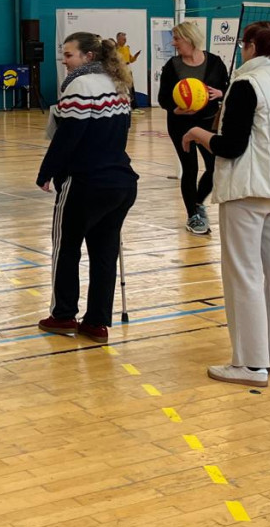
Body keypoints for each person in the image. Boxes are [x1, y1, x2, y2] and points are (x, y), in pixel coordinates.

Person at [182, 20, 270, 388]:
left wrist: (196, 133)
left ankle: (250, 364)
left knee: (244, 275)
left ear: (253, 47)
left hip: (248, 193)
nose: (242, 51)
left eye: (244, 46)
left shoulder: (247, 84)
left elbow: (231, 147)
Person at [35, 32, 139, 344]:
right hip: (121, 183)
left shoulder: (79, 86)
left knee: (66, 249)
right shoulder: (118, 84)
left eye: (69, 55)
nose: (64, 61)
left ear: (88, 57)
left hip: (86, 183)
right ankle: (96, 323)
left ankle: (64, 315)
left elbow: (69, 136)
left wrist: (46, 172)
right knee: (104, 253)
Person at [157, 21, 228, 236]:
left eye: (177, 38)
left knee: (215, 167)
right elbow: (163, 98)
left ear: (189, 38)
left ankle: (197, 202)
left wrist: (220, 94)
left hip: (207, 122)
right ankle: (193, 216)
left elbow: (226, 88)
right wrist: (175, 110)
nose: (173, 42)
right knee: (189, 169)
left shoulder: (215, 62)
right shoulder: (172, 65)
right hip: (180, 123)